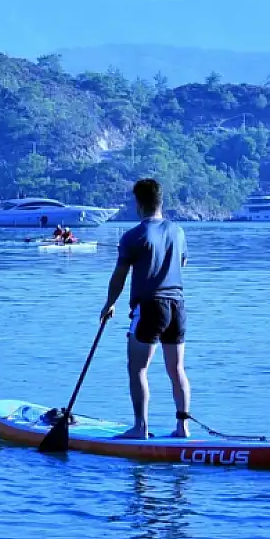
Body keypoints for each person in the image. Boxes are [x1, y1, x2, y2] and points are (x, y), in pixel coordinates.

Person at [101, 178, 190, 439]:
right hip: (177, 305)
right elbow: (182, 263)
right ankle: (182, 428)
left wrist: (109, 304)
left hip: (150, 306)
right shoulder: (178, 232)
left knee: (137, 368)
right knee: (176, 369)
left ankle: (140, 427)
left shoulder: (133, 236)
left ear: (138, 204)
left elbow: (119, 276)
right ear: (161, 202)